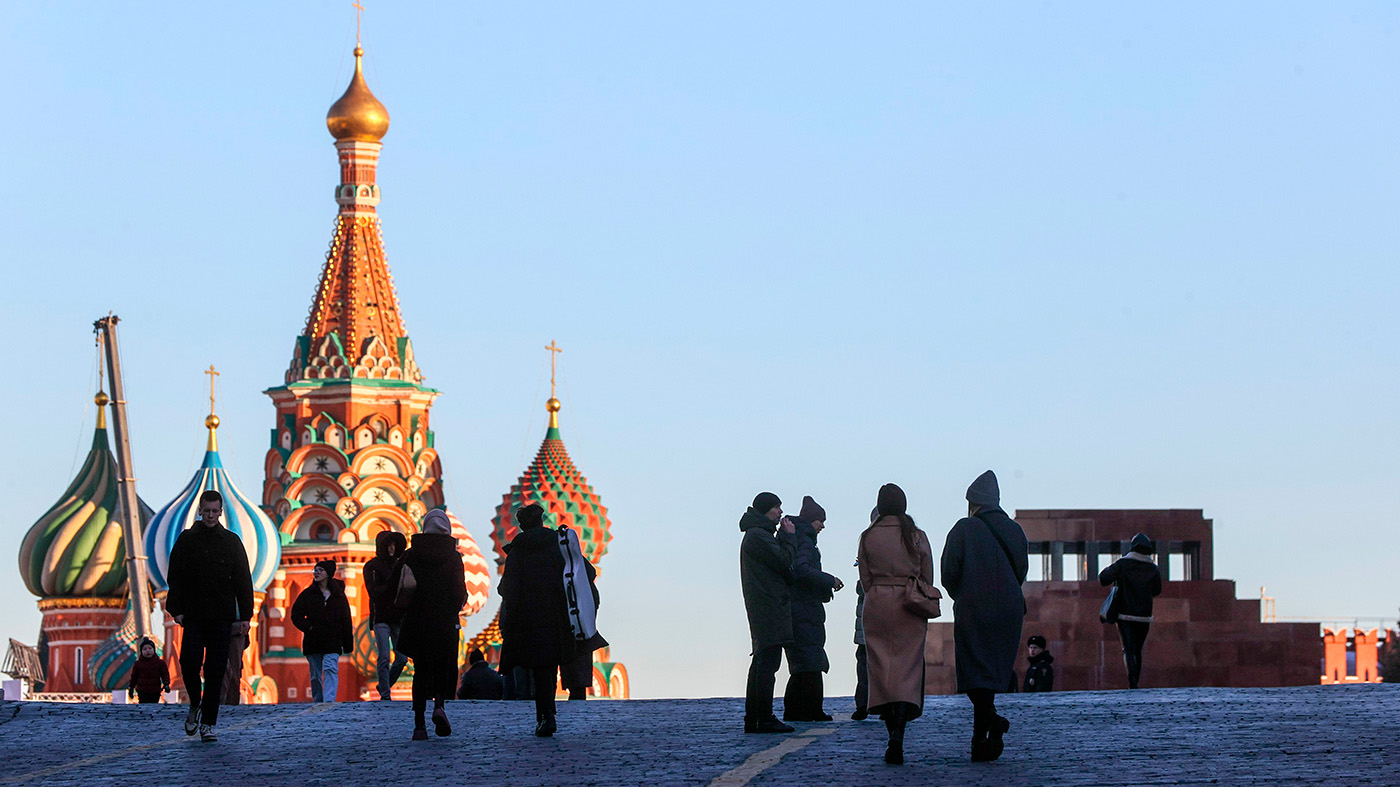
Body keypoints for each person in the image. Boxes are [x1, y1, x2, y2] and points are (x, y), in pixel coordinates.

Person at [940, 470, 1029, 763]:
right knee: (990, 673)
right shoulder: (1015, 531)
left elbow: (948, 573)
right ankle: (980, 743)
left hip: (974, 607)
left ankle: (991, 720)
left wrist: (964, 594)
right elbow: (1022, 573)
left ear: (973, 502)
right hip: (1009, 610)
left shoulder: (964, 528)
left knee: (973, 671)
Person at [165, 489, 254, 742]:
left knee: (216, 671)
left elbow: (242, 580)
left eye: (216, 511)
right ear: (200, 511)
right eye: (207, 511)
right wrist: (177, 609)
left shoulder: (231, 541)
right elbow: (175, 577)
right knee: (189, 665)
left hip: (222, 616)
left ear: (221, 512)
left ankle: (208, 724)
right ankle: (195, 703)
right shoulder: (187, 540)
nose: (211, 515)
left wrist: (246, 614)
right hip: (194, 615)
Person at [858, 483, 934, 765]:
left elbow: (865, 578)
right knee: (907, 669)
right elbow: (927, 574)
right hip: (909, 603)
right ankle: (899, 733)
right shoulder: (915, 535)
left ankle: (890, 729)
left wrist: (878, 592)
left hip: (877, 602)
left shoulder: (867, 536)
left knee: (881, 669)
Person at [500, 503, 576, 737]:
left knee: (538, 667)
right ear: (542, 521)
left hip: (528, 620)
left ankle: (545, 715)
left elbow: (507, 589)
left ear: (522, 526)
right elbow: (584, 572)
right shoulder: (559, 544)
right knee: (549, 668)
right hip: (556, 616)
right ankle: (548, 713)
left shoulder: (518, 551)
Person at [396, 509, 468, 740]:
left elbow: (395, 585)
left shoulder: (411, 555)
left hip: (417, 621)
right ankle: (439, 706)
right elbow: (459, 591)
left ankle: (419, 725)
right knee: (441, 667)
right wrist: (454, 607)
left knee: (421, 671)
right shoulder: (453, 557)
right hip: (444, 621)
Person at [739, 492, 798, 734]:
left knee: (762, 662)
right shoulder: (759, 537)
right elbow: (785, 561)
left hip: (765, 605)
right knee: (767, 664)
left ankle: (755, 717)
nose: (780, 513)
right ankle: (763, 717)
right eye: (776, 508)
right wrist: (789, 538)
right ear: (765, 510)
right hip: (768, 606)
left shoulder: (758, 535)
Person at [783, 496, 842, 722]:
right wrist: (829, 580)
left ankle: (796, 710)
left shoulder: (797, 537)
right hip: (804, 609)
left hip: (799, 608)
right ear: (811, 521)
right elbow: (802, 569)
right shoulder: (805, 540)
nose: (823, 526)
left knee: (802, 663)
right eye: (821, 520)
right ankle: (812, 710)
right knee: (812, 660)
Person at [1099, 533, 1163, 690]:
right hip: (1144, 617)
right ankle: (1135, 682)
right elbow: (1157, 590)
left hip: (1125, 615)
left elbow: (1103, 578)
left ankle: (1132, 683)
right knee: (1137, 650)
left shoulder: (1123, 564)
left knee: (1128, 649)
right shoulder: (1153, 569)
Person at [290, 559, 354, 703]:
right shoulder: (308, 594)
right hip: (314, 640)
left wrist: (347, 643)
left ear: (328, 574)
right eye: (315, 570)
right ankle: (318, 700)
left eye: (320, 570)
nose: (316, 573)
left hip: (333, 639)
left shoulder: (338, 595)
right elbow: (296, 615)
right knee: (315, 674)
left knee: (331, 668)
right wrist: (309, 628)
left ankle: (329, 700)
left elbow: (346, 619)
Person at [558, 524, 608, 701]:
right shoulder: (581, 574)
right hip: (582, 631)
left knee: (573, 671)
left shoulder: (565, 571)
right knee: (578, 673)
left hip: (568, 630)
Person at [363, 530, 410, 700]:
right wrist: (392, 586)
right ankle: (385, 694)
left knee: (402, 658)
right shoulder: (372, 566)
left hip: (397, 618)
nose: (391, 548)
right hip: (381, 618)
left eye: (394, 545)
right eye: (388, 545)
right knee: (384, 656)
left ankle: (385, 683)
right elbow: (373, 592)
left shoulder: (400, 565)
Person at [851, 506, 878, 722]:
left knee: (864, 662)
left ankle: (863, 703)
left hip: (867, 613)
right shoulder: (908, 538)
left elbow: (862, 584)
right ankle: (885, 705)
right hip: (890, 612)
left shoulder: (866, 541)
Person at [127, 637, 169, 704]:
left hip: (155, 691)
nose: (147, 651)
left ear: (154, 650)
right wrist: (131, 688)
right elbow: (134, 677)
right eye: (145, 649)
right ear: (141, 651)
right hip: (142, 691)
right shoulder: (138, 664)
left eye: (150, 648)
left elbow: (164, 674)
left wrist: (166, 684)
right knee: (144, 708)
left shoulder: (160, 663)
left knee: (154, 707)